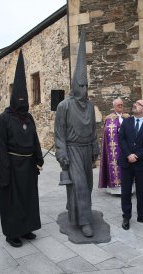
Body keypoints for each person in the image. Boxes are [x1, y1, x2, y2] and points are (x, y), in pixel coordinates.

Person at [0, 50, 44, 248]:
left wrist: (38, 158)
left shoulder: (29, 117)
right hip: (13, 165)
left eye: (26, 98)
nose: (23, 102)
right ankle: (12, 232)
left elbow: (35, 138)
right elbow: (0, 147)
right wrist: (5, 171)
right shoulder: (5, 119)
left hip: (29, 164)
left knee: (29, 197)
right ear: (14, 98)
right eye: (20, 98)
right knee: (13, 200)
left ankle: (27, 228)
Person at [54, 28, 99, 238]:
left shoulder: (89, 106)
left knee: (86, 186)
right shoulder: (64, 105)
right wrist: (62, 154)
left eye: (86, 84)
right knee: (79, 186)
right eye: (80, 84)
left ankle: (77, 212)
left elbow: (93, 130)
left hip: (85, 150)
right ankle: (84, 222)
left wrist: (94, 150)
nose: (84, 87)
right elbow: (59, 133)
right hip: (71, 151)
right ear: (74, 85)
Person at [118, 99, 143, 230]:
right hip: (126, 162)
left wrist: (138, 155)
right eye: (135, 103)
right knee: (126, 191)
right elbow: (121, 138)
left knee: (141, 191)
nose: (135, 105)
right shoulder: (126, 122)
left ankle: (142, 215)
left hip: (142, 163)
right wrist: (129, 154)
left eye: (139, 104)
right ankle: (126, 216)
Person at [98, 98, 129, 194]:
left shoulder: (127, 117)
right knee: (115, 165)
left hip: (127, 147)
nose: (120, 106)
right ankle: (116, 190)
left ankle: (128, 188)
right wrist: (118, 132)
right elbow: (107, 132)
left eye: (121, 105)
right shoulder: (109, 118)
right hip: (115, 147)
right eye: (118, 105)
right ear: (114, 106)